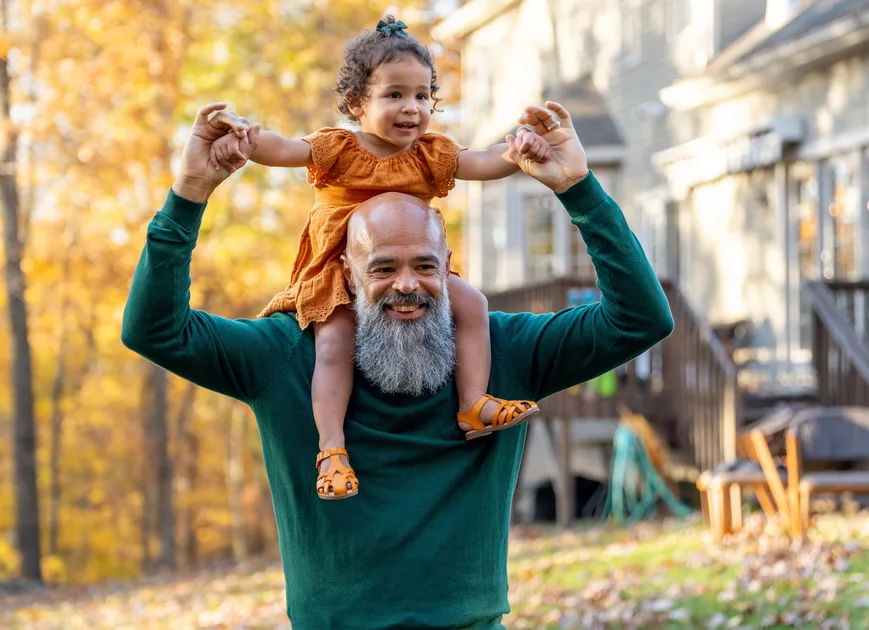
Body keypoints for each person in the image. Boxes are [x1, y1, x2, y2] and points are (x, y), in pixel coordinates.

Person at [121, 98, 674, 629]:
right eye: (382, 267)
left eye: (424, 266)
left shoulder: (502, 352)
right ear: (346, 270)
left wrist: (579, 191)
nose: (407, 285)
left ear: (449, 267)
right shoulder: (286, 355)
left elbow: (640, 320)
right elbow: (155, 330)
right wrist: (190, 193)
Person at [207, 16, 551, 500]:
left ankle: (473, 403)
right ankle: (332, 450)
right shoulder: (337, 148)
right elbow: (282, 148)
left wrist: (520, 148)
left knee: (472, 303)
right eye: (394, 95)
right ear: (356, 103)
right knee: (333, 342)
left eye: (421, 96)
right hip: (342, 270)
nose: (411, 108)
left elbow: (485, 162)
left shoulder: (431, 154)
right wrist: (245, 136)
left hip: (412, 270)